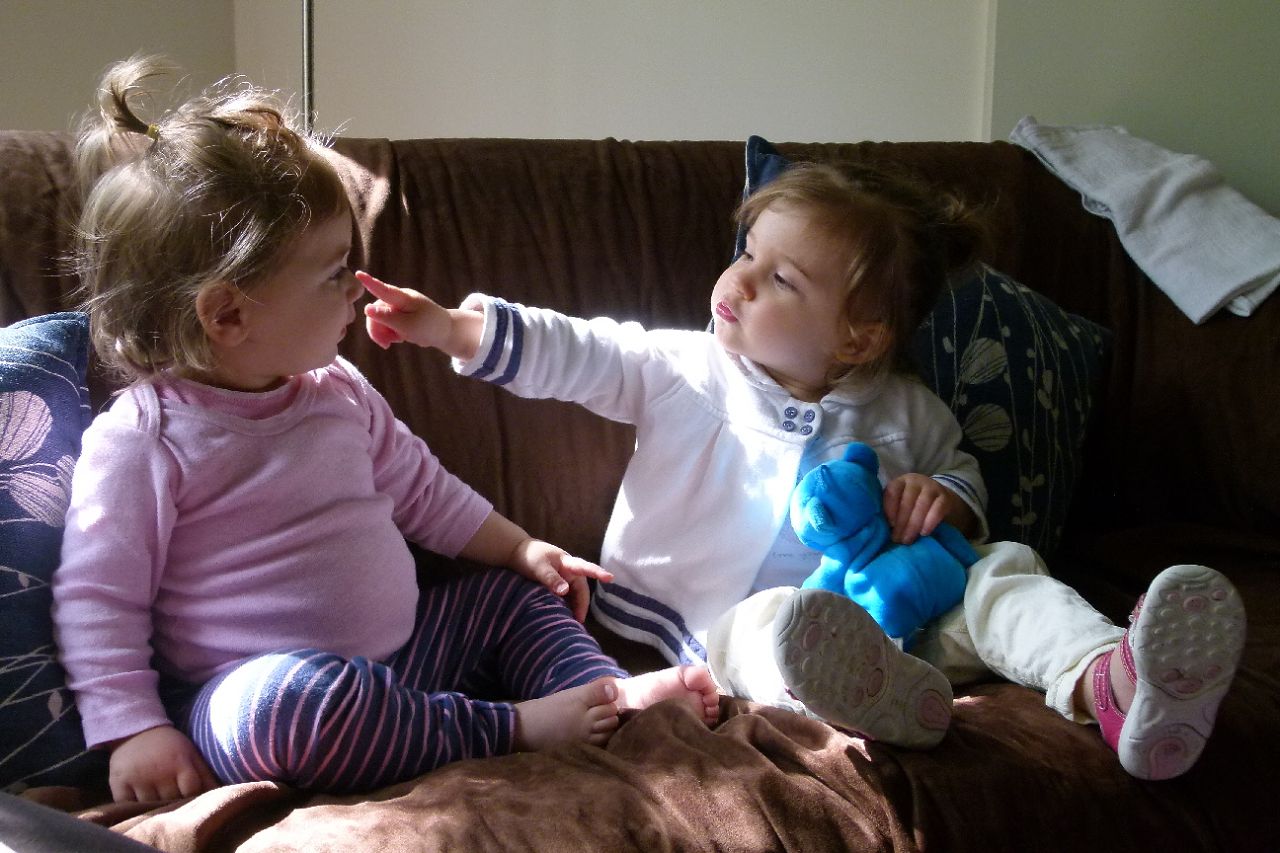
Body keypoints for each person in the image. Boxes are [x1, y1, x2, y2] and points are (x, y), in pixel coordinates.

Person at [357, 158, 1245, 780]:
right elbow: (581, 349)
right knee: (778, 623)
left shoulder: (907, 410)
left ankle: (1111, 680)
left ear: (859, 337)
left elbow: (961, 475)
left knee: (1004, 570)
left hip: (904, 616)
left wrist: (946, 499)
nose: (739, 281)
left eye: (782, 279)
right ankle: (877, 699)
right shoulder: (685, 368)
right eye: (746, 252)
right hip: (716, 627)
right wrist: (451, 327)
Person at [51, 56, 719, 805]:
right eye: (334, 272)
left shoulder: (338, 392)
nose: (354, 289)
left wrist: (521, 548)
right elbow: (98, 600)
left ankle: (607, 696)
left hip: (411, 659)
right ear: (228, 314)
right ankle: (511, 729)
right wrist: (134, 727)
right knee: (282, 707)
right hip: (252, 695)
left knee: (513, 598)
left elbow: (425, 493)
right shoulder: (147, 438)